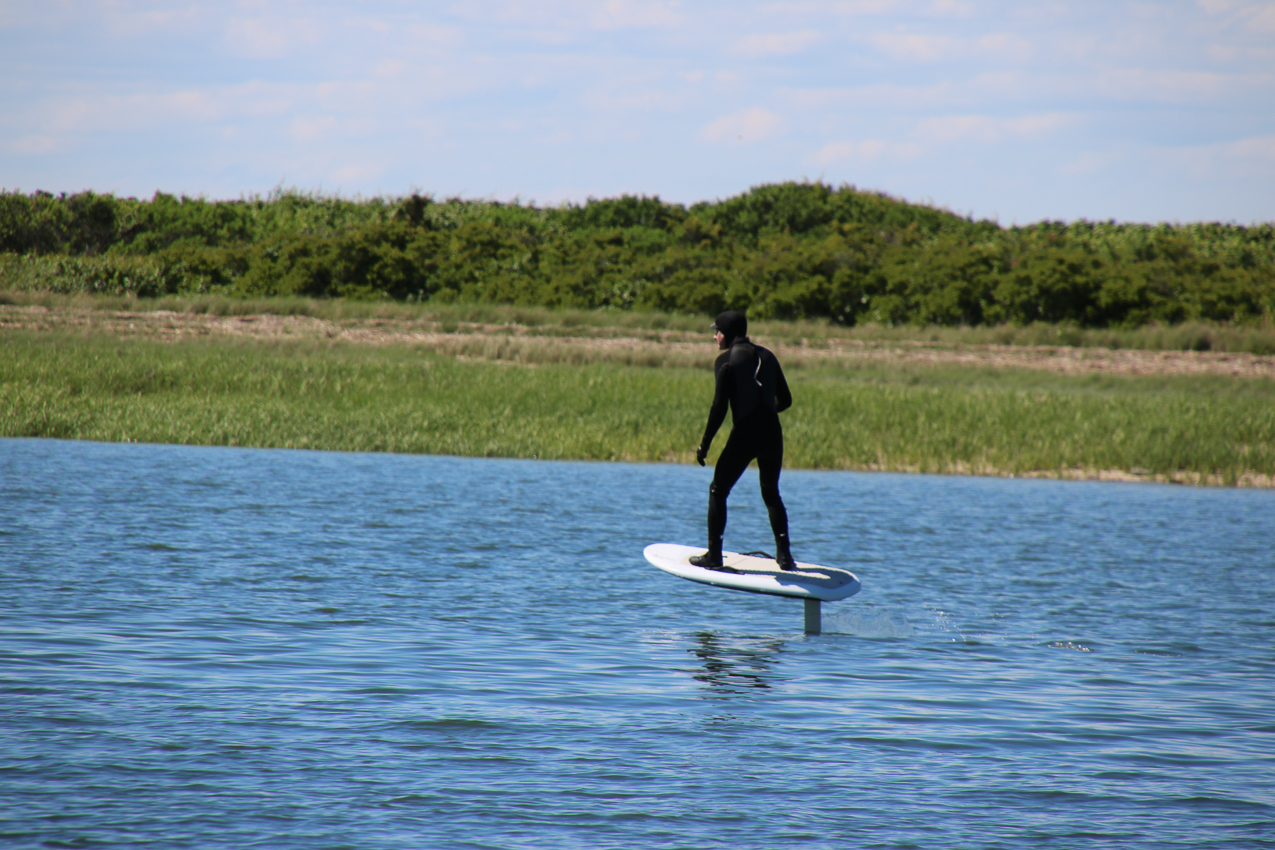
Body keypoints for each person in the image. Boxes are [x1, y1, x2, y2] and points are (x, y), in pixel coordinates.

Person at [690, 310, 798, 571]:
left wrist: (705, 444)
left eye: (717, 332)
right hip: (772, 432)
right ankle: (785, 557)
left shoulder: (725, 361)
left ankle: (714, 556)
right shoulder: (768, 356)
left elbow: (719, 408)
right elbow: (786, 400)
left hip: (746, 433)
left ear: (726, 334)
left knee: (718, 490)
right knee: (771, 492)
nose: (715, 337)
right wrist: (765, 414)